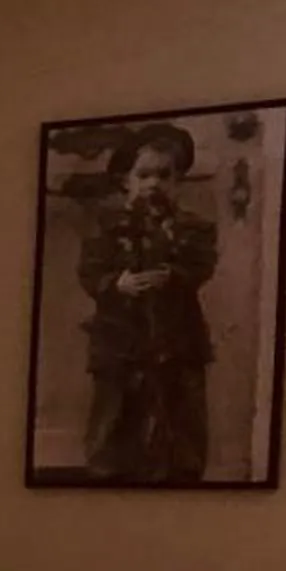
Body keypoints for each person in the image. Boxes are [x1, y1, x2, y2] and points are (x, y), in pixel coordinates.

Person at [74, 121, 217, 483]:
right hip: (119, 340)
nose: (154, 184)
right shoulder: (105, 225)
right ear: (127, 180)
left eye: (165, 176)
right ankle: (107, 477)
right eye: (144, 174)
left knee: (181, 420)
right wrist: (115, 284)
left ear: (177, 182)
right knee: (114, 415)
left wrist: (174, 274)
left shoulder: (192, 227)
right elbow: (90, 271)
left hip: (178, 339)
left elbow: (202, 264)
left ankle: (181, 481)